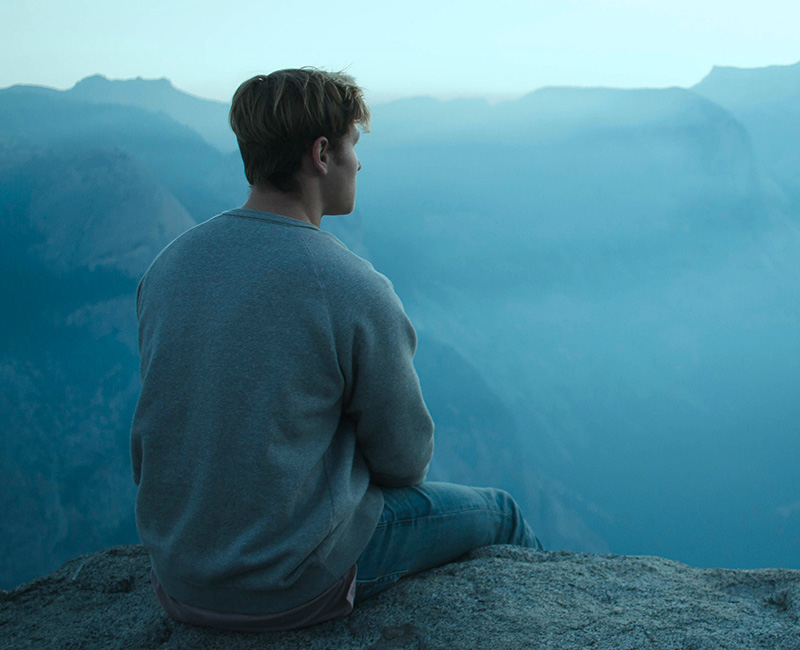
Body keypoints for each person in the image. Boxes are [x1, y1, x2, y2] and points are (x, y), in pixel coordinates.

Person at [130, 67, 543, 633]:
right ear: (322, 154)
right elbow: (405, 461)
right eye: (353, 144)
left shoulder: (166, 269)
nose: (359, 162)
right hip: (293, 587)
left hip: (178, 581)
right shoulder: (351, 287)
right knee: (503, 512)